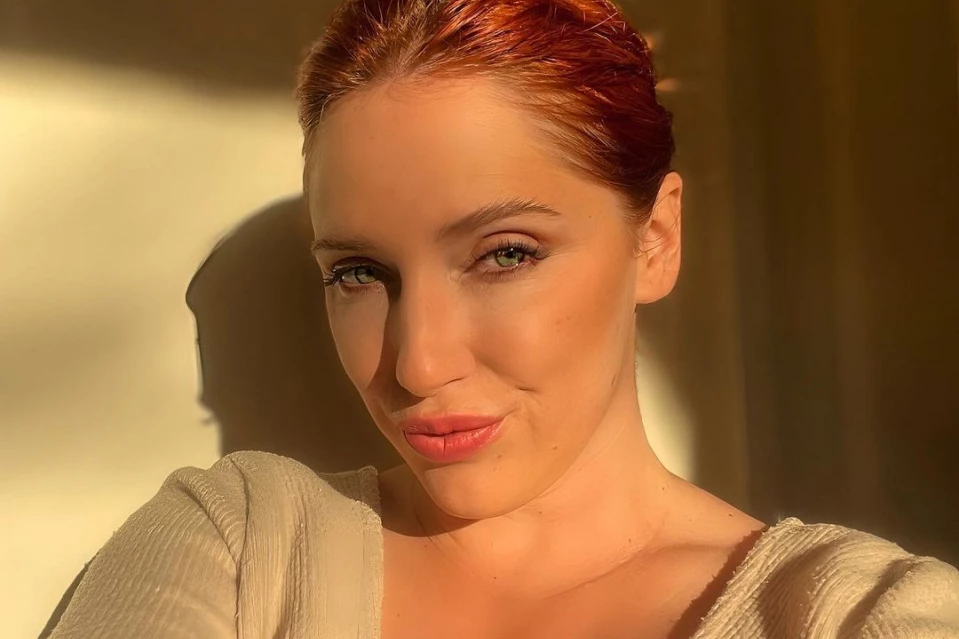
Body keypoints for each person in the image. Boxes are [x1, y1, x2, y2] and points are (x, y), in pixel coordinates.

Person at [45, 0, 959, 637]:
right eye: (359, 272)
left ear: (655, 240)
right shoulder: (241, 546)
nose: (418, 363)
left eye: (505, 254)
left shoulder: (853, 613)